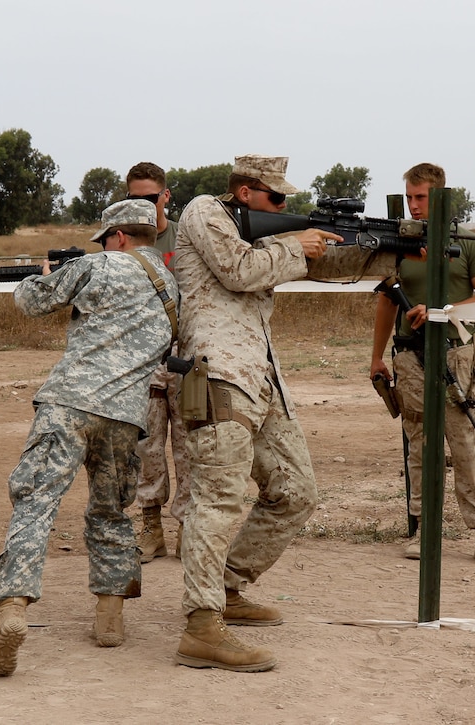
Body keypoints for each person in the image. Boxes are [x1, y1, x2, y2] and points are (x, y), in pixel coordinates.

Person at [0, 199, 177, 677]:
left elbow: (31, 301)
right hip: (126, 417)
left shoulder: (97, 265)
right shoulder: (171, 285)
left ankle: (13, 609)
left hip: (68, 406)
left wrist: (44, 273)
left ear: (117, 236)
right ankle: (109, 618)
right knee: (111, 510)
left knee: (36, 503)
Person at [172, 154, 342, 673]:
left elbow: (319, 264)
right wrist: (294, 245)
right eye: (277, 199)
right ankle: (202, 625)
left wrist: (389, 250)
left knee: (296, 491)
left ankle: (225, 586)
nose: (285, 207)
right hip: (217, 374)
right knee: (218, 496)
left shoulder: (263, 237)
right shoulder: (204, 211)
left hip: (261, 380)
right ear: (245, 193)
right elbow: (238, 271)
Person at [370, 163, 475, 565]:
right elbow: (387, 300)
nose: (414, 205)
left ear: (439, 197)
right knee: (420, 447)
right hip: (409, 356)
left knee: (466, 445)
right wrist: (376, 358)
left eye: (421, 197)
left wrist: (442, 310)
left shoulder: (467, 243)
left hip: (455, 353)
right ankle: (426, 531)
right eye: (409, 197)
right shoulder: (399, 245)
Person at [125, 161, 192, 563]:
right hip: (143, 357)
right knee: (147, 445)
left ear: (165, 195)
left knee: (188, 445)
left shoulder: (185, 235)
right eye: (136, 198)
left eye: (151, 197)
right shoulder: (123, 240)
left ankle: (187, 526)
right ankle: (151, 527)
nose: (145, 205)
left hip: (184, 352)